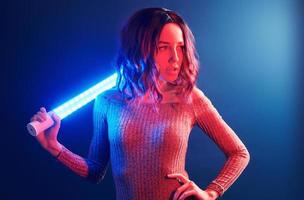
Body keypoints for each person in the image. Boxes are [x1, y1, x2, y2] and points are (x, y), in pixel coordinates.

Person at [31, 7, 250, 200]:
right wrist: (54, 147)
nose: (176, 57)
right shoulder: (107, 100)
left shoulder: (191, 98)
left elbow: (239, 153)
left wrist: (211, 193)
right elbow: (96, 171)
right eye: (163, 47)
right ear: (139, 48)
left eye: (180, 47)